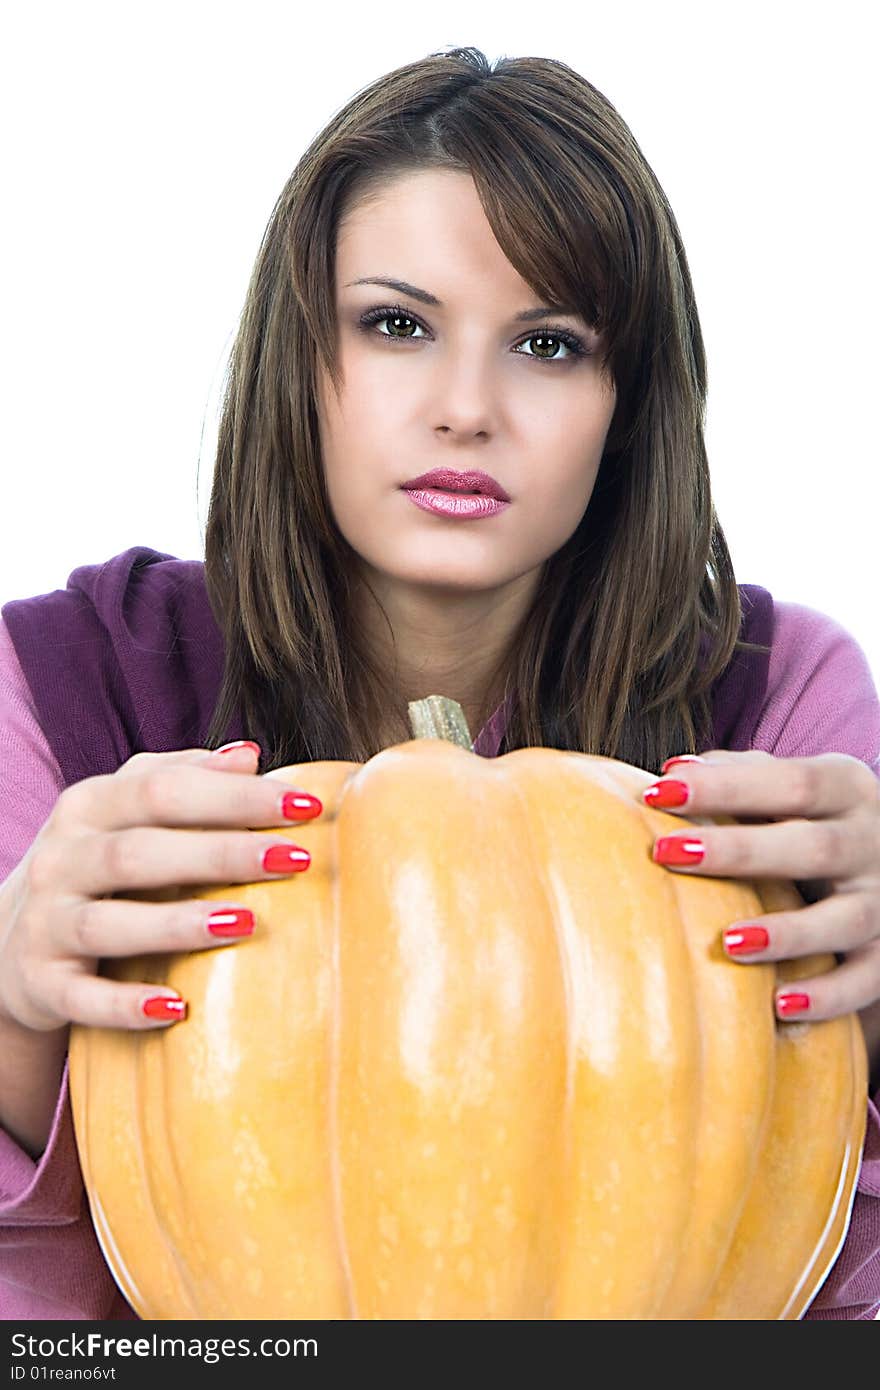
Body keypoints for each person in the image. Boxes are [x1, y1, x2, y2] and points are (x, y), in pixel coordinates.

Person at [1, 45, 878, 1321]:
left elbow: (830, 1307)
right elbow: (53, 1327)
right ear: (300, 355)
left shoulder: (779, 702)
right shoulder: (62, 681)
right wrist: (12, 1013)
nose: (467, 408)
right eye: (397, 324)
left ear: (628, 404)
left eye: (549, 342)